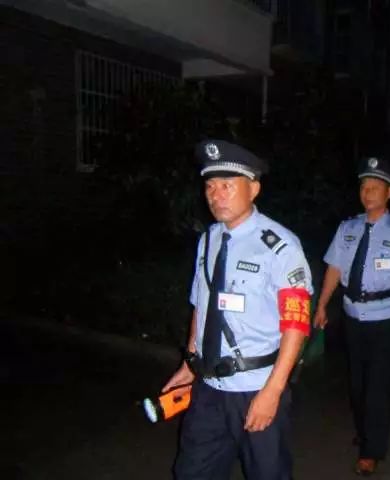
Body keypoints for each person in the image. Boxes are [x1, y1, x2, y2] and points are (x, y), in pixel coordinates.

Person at [162, 139, 313, 480]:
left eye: (227, 186)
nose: (216, 196)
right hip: (209, 388)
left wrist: (273, 392)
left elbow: (296, 325)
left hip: (256, 387)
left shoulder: (280, 246)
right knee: (191, 472)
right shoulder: (209, 240)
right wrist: (190, 362)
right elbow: (202, 306)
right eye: (210, 186)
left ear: (254, 189)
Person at [313, 157, 390, 476]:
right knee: (357, 383)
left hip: (388, 316)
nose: (368, 192)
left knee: (377, 384)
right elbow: (334, 269)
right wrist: (322, 305)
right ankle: (365, 430)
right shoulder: (347, 228)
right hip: (353, 314)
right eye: (364, 186)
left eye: (375, 187)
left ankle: (371, 449)